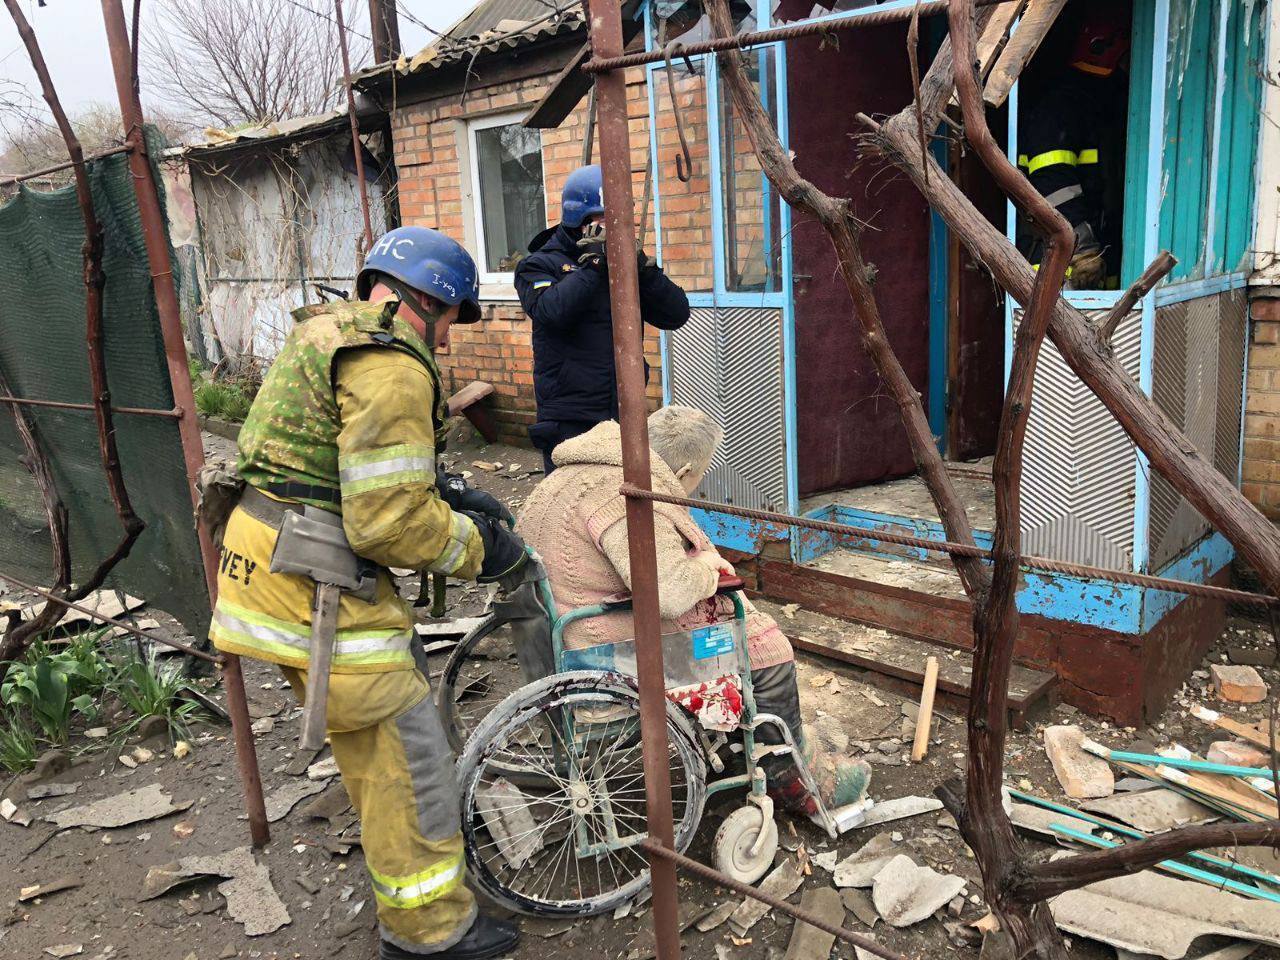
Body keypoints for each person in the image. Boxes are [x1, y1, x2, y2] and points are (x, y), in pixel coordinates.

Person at [209, 226, 525, 960]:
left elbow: (332, 459)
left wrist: (440, 486)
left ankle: (417, 907)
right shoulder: (394, 366)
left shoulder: (329, 332)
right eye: (451, 321)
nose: (447, 341)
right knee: (407, 758)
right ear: (432, 300)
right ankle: (430, 932)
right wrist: (482, 548)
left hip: (268, 562)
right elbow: (387, 521)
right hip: (311, 585)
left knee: (381, 752)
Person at [516, 405, 872, 819]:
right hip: (598, 648)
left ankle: (752, 745)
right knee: (768, 651)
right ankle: (792, 780)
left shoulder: (575, 471)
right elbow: (667, 592)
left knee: (735, 629)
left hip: (556, 631)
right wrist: (704, 570)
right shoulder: (626, 499)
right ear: (684, 472)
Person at [515, 164, 691, 474]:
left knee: (622, 507)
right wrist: (593, 266)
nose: (612, 228)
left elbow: (676, 314)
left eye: (618, 219)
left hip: (623, 410)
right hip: (571, 417)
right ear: (578, 219)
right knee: (572, 511)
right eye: (602, 220)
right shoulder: (540, 264)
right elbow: (551, 312)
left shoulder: (623, 265)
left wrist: (642, 269)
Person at [1017, 1, 1130, 290]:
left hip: (1095, 261)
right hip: (1059, 266)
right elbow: (1051, 180)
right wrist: (1083, 247)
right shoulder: (1061, 108)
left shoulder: (1099, 108)